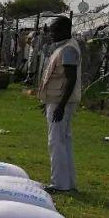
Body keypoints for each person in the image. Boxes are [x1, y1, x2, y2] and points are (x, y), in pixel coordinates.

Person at [38, 16, 82, 193]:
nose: (51, 35)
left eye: (55, 31)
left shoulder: (68, 49)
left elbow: (70, 80)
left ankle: (59, 184)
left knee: (56, 142)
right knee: (63, 141)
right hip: (56, 100)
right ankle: (68, 183)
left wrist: (61, 106)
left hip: (61, 102)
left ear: (65, 29)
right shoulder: (64, 47)